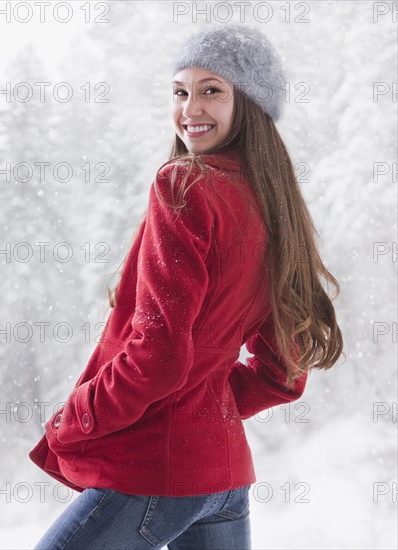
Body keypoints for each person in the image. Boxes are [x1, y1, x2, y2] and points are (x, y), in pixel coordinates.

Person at [29, 23, 344, 550]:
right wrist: (202, 411)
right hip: (223, 480)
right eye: (181, 91)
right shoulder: (272, 205)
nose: (190, 108)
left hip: (155, 471)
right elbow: (283, 371)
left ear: (250, 103)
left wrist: (73, 418)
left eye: (212, 90)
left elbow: (160, 353)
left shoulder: (184, 184)